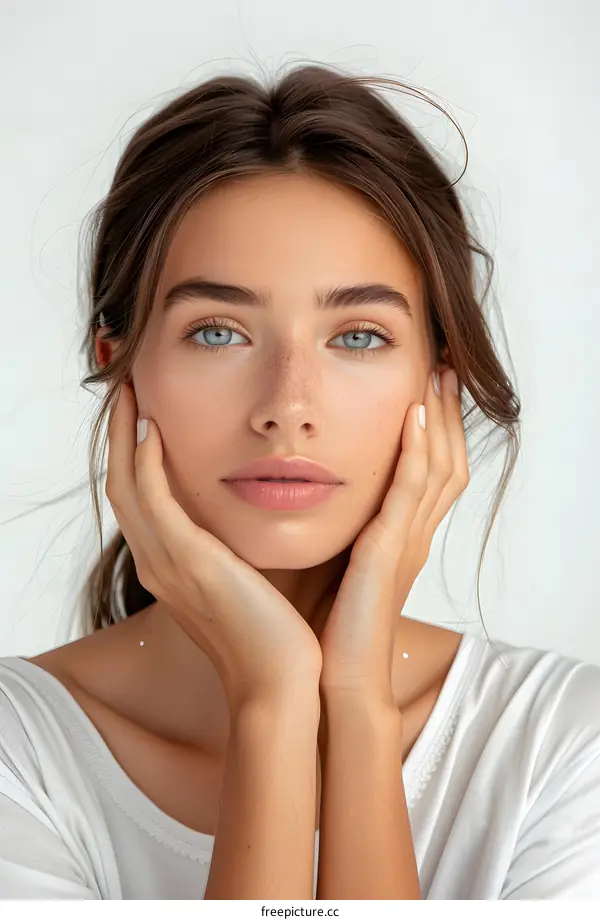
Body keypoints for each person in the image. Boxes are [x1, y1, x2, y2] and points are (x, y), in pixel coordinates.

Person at [1, 63, 599, 901]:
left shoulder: (561, 747)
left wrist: (353, 701)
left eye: (356, 337)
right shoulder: (17, 756)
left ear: (439, 378)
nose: (288, 406)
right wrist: (273, 704)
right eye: (217, 332)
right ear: (121, 366)